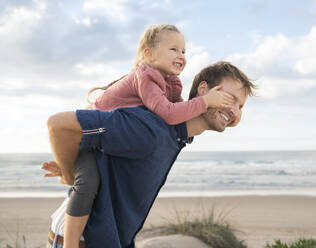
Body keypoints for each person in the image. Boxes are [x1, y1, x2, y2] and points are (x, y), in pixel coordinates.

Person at [57, 24, 235, 248]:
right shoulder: (146, 75)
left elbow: (180, 115)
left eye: (183, 51)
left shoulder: (170, 83)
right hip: (90, 139)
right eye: (173, 49)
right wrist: (206, 102)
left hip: (105, 142)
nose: (180, 55)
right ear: (148, 54)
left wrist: (229, 115)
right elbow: (170, 115)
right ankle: (69, 245)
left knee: (92, 182)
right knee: (87, 184)